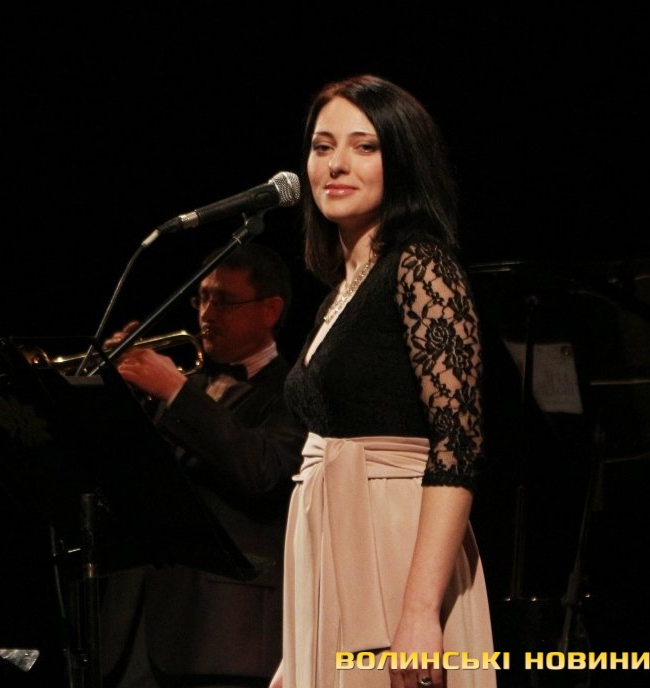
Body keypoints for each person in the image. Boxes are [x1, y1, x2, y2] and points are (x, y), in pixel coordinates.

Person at [271, 75, 496, 688]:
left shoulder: (422, 266)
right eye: (322, 147)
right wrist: (302, 641)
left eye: (364, 146)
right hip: (332, 552)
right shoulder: (339, 292)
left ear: (401, 160)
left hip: (396, 543)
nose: (336, 164)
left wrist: (420, 613)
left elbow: (458, 445)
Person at [99, 243, 307, 688]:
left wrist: (176, 392)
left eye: (224, 301)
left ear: (270, 310)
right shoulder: (184, 386)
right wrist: (118, 394)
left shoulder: (297, 391)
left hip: (221, 635)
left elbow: (264, 473)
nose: (207, 314)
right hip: (133, 632)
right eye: (203, 298)